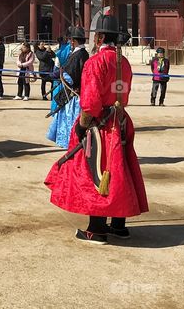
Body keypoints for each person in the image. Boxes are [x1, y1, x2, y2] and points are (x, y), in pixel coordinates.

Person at [45, 13, 148, 244]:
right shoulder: (123, 62)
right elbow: (121, 91)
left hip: (100, 125)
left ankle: (97, 229)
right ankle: (119, 225)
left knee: (97, 173)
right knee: (121, 171)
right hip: (119, 120)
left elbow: (90, 103)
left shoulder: (96, 62)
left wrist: (81, 128)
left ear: (99, 37)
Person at [47, 27, 89, 149]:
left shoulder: (77, 55)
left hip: (73, 94)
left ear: (73, 41)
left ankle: (69, 142)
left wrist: (55, 75)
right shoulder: (83, 53)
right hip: (77, 92)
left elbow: (68, 75)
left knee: (69, 119)